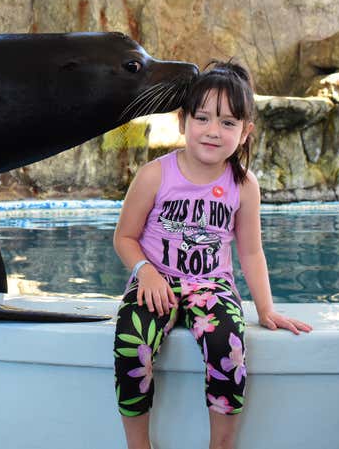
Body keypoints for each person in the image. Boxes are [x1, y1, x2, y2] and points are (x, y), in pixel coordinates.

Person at [112, 60, 313, 449]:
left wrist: (266, 309)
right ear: (183, 121)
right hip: (157, 281)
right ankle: (138, 445)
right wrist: (145, 272)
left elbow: (251, 252)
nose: (212, 131)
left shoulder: (243, 185)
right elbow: (125, 237)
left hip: (212, 286)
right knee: (131, 342)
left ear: (245, 131)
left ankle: (221, 444)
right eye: (202, 118)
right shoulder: (155, 175)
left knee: (229, 346)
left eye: (227, 122)